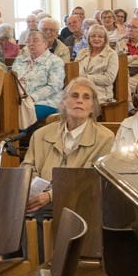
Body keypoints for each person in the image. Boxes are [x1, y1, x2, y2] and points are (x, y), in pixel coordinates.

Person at [22, 78, 115, 212]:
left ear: (93, 107)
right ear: (64, 102)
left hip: (80, 206)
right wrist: (35, 191)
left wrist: (51, 196)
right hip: (37, 203)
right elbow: (27, 167)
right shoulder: (40, 134)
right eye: (74, 95)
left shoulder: (105, 138)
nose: (79, 101)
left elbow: (91, 181)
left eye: (86, 97)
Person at [12, 29, 64, 123]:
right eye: (28, 41)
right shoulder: (20, 60)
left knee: (22, 114)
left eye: (35, 40)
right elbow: (12, 81)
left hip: (46, 102)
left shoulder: (55, 61)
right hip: (19, 101)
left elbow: (54, 86)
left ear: (45, 44)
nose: (31, 44)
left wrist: (31, 98)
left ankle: (17, 137)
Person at [76, 23, 118, 104]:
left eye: (100, 36)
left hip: (100, 92)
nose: (96, 39)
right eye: (93, 36)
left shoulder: (111, 54)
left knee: (81, 103)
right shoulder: (82, 52)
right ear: (88, 38)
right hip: (80, 88)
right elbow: (74, 71)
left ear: (105, 39)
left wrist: (86, 78)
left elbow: (109, 79)